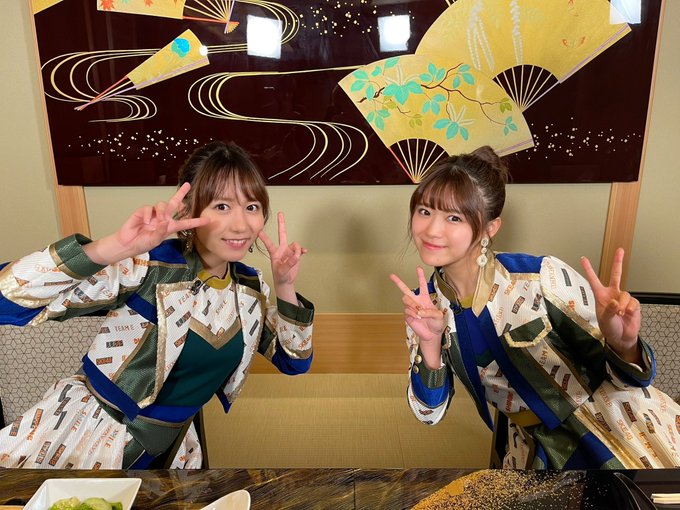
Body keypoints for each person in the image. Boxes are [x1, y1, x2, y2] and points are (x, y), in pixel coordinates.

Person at [0, 141, 314, 469]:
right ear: (188, 210)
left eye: (252, 206)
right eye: (222, 206)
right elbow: (7, 299)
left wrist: (284, 285)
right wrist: (114, 247)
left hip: (173, 451)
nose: (241, 224)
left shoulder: (249, 288)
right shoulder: (148, 266)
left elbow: (293, 361)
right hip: (90, 438)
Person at [390, 146, 680, 469]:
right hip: (534, 450)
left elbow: (631, 382)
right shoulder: (425, 306)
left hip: (618, 430)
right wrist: (430, 344)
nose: (431, 230)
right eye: (425, 211)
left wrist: (624, 344)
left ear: (489, 228)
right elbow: (429, 413)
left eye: (453, 217)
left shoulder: (541, 278)